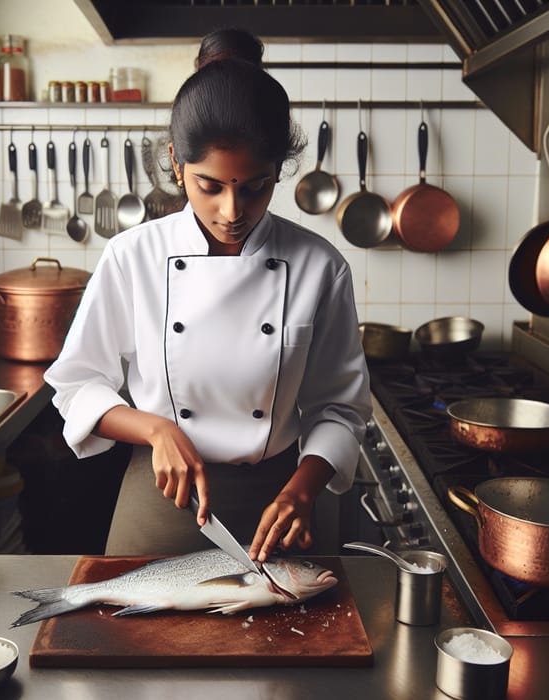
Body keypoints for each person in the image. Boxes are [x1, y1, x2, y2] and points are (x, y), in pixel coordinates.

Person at [43, 29, 371, 564]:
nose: (232, 210)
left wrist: (304, 489)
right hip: (162, 501)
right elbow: (77, 385)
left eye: (254, 186)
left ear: (278, 172)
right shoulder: (132, 256)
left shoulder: (320, 266)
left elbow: (340, 408)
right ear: (176, 163)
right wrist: (155, 428)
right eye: (209, 185)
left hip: (283, 509)